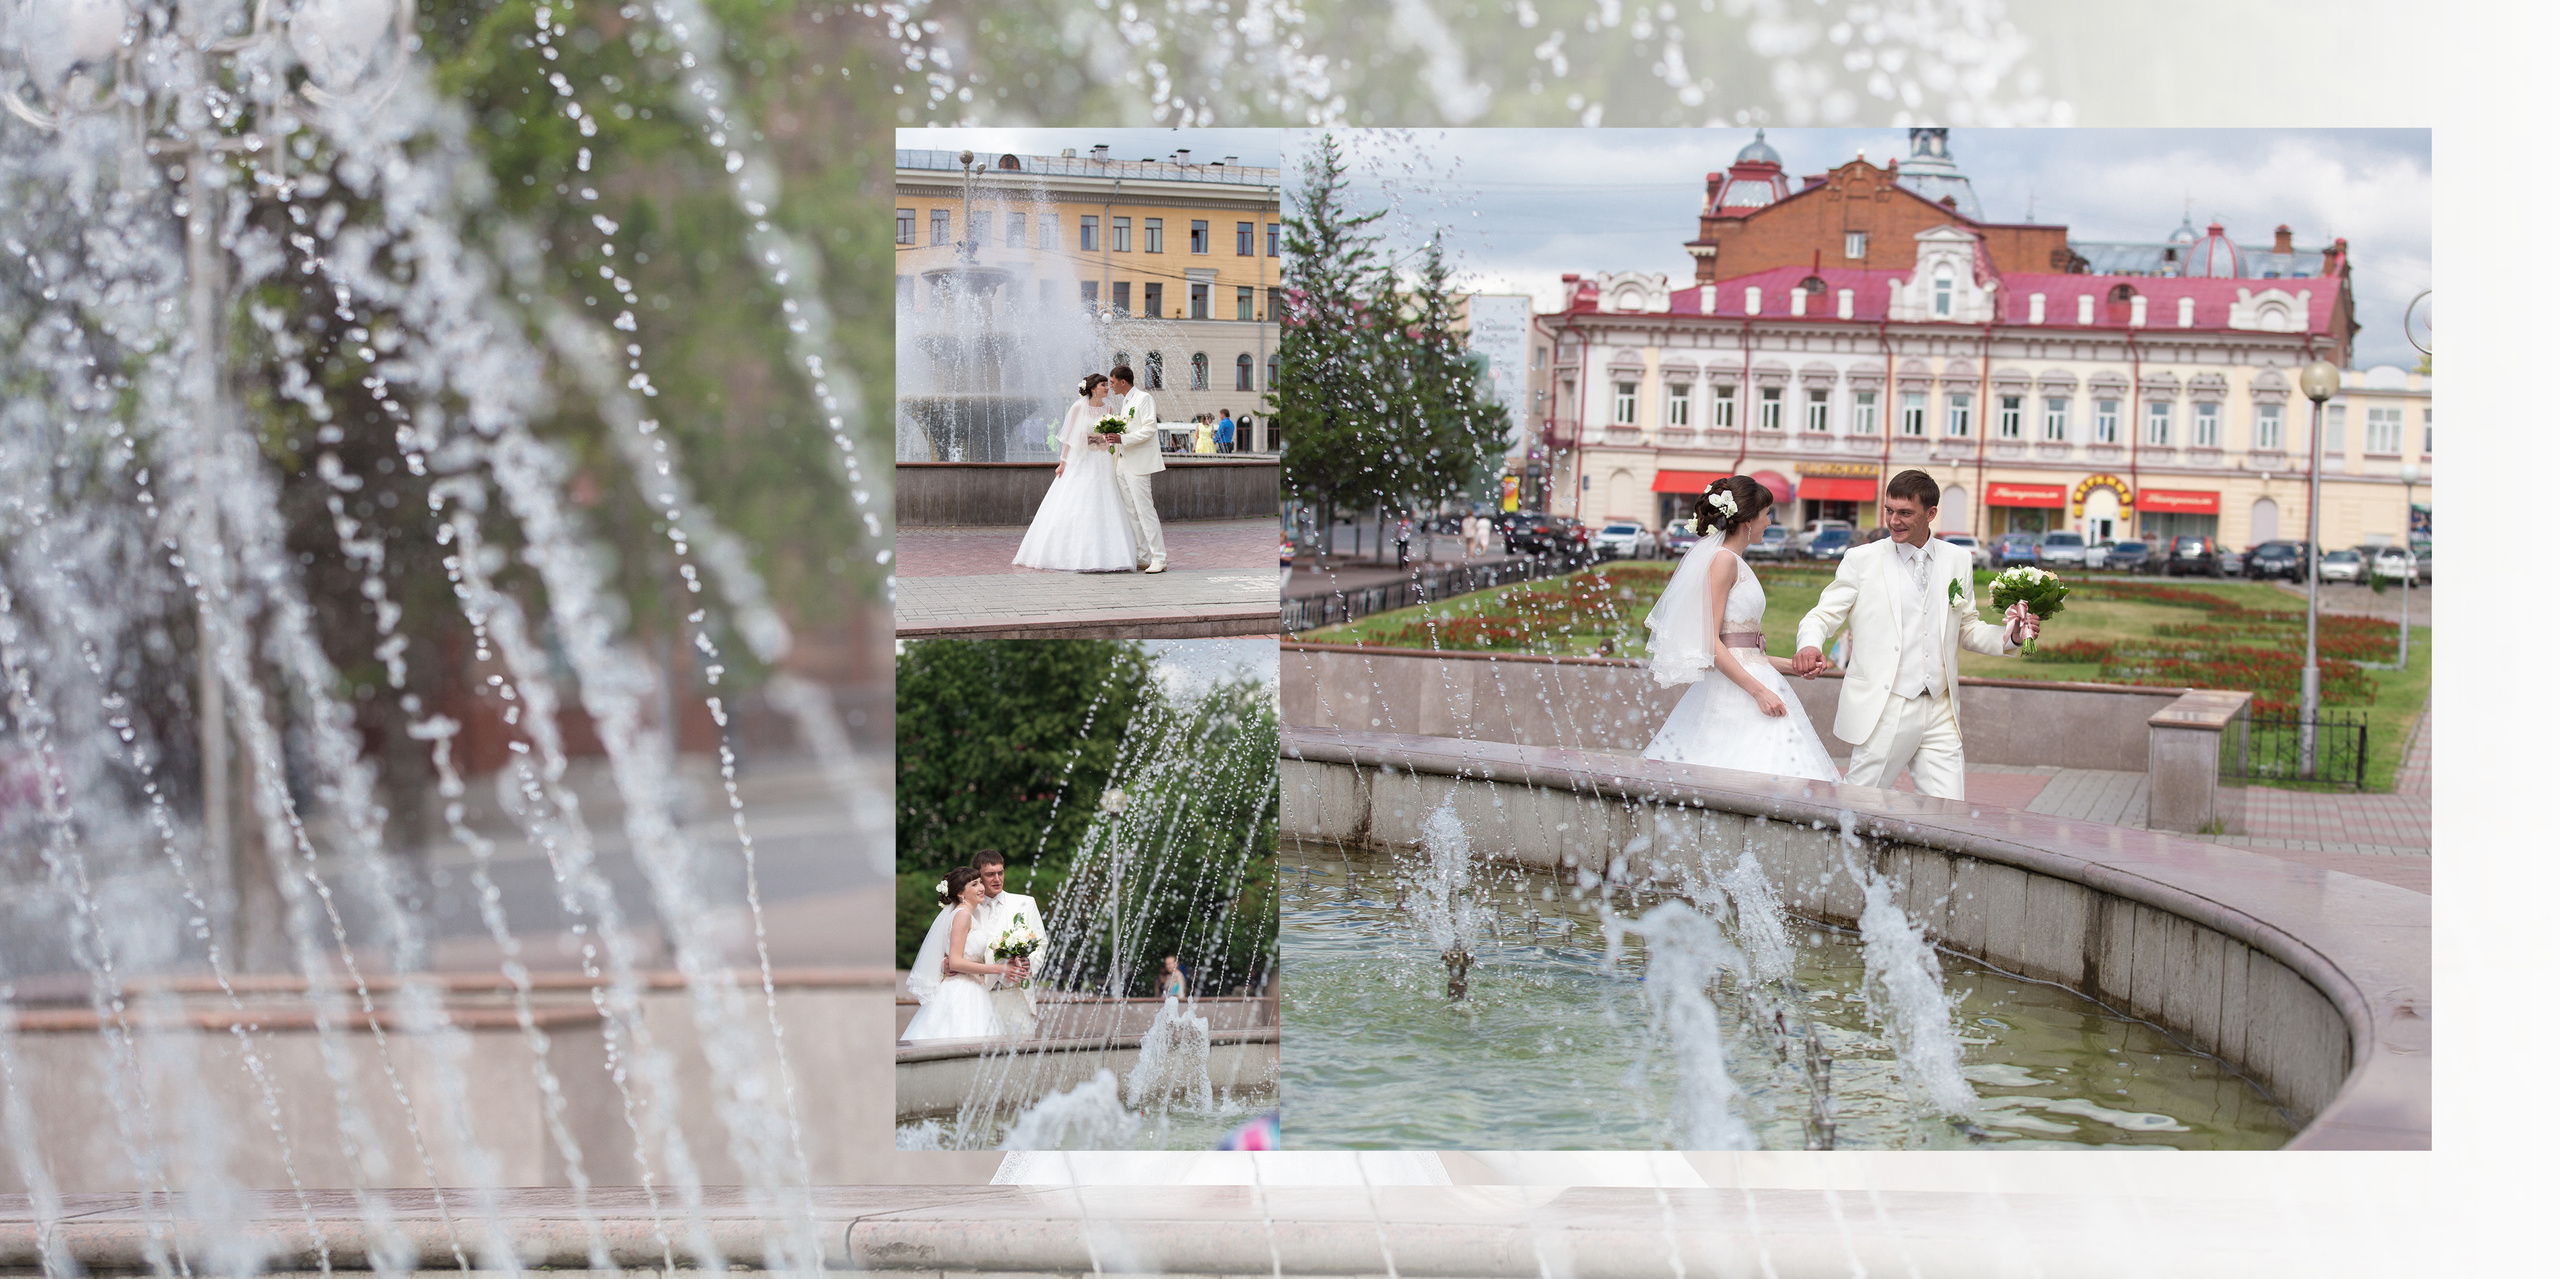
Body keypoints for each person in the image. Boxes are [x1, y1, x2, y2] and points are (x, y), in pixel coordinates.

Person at [1790, 469, 2038, 800]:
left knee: (1949, 816)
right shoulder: (1862, 559)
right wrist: (1809, 644)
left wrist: (2013, 636)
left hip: (1941, 710)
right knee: (1856, 807)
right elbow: (1823, 614)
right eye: (1889, 510)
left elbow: (1967, 627)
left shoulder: (1957, 559)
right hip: (1886, 707)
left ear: (1931, 513)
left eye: (1905, 512)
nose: (1894, 520)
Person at [1637, 476, 1840, 783]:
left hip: (1748, 679)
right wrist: (1759, 691)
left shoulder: (1734, 560)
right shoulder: (1723, 561)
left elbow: (1742, 651)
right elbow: (1710, 641)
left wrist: (1794, 666)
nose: (1769, 521)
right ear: (1747, 521)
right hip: (1737, 691)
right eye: (1766, 513)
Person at [1012, 373, 1138, 573]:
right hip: (1083, 461)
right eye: (1103, 384)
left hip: (1103, 461)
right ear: (1093, 388)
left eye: (1108, 384)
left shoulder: (1110, 408)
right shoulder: (1079, 407)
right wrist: (1063, 463)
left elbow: (1113, 437)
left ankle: (1112, 555)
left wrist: (1107, 440)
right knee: (1078, 501)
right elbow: (1069, 438)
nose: (1107, 388)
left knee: (1106, 502)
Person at [899, 866, 1021, 1042]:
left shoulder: (967, 915)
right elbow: (955, 962)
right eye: (974, 884)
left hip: (972, 987)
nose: (981, 888)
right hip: (961, 992)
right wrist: (999, 968)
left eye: (980, 882)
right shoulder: (962, 915)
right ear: (961, 894)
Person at [1097, 365, 1168, 573]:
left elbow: (1149, 429)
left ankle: (1159, 557)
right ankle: (1143, 556)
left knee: (1145, 511)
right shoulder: (1126, 401)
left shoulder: (1144, 398)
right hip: (1122, 462)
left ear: (1122, 382)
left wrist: (1123, 438)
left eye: (1112, 382)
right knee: (1131, 512)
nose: (1110, 386)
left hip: (1138, 464)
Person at [974, 849, 1047, 1035]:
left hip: (1017, 996)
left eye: (1000, 872)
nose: (997, 879)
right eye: (990, 874)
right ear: (978, 877)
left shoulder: (1025, 903)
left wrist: (1029, 965)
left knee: (1022, 1059)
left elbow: (1040, 943)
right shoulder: (968, 910)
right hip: (979, 997)